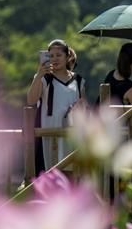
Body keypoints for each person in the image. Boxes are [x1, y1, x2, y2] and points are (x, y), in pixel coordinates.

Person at [26, 39, 87, 171]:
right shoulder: (44, 78)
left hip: (71, 131)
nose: (55, 59)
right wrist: (39, 75)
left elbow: (83, 108)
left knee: (71, 170)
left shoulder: (78, 80)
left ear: (67, 57)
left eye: (59, 55)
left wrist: (79, 107)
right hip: (49, 129)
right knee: (49, 169)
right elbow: (31, 100)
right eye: (51, 56)